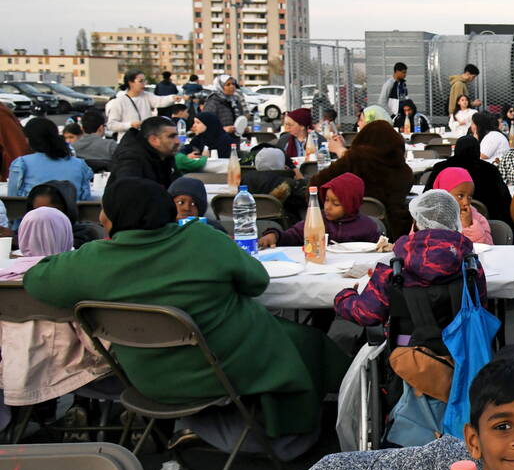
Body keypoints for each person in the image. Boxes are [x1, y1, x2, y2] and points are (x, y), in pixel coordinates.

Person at [24, 178, 347, 441]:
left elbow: (36, 280)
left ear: (116, 217)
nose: (100, 218)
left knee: (293, 341)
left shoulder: (92, 260)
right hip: (225, 367)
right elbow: (256, 282)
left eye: (104, 212)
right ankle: (293, 431)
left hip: (146, 379)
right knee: (304, 342)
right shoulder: (202, 239)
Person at [0, 206, 110, 408]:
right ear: (66, 234)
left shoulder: (6, 278)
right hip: (68, 368)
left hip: (10, 366)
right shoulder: (75, 277)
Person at [334, 188, 487, 333]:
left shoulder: (392, 266)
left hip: (407, 349)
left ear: (415, 223)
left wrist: (345, 296)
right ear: (455, 222)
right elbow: (480, 306)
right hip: (462, 348)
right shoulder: (470, 265)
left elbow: (366, 314)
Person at [312, 120, 413, 238]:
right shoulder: (404, 172)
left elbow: (315, 188)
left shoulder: (351, 162)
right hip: (393, 232)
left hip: (343, 230)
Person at [259, 172, 379, 248]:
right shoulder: (317, 219)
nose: (327, 207)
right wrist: (274, 235)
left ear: (351, 205)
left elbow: (377, 252)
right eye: (326, 200)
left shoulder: (367, 227)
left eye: (336, 203)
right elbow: (292, 235)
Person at [424, 135, 513, 227]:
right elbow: (504, 200)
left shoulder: (441, 167)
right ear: (478, 151)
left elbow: (427, 197)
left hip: (443, 223)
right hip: (485, 224)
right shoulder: (490, 170)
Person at [7, 117, 93, 199]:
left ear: (29, 139)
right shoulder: (79, 165)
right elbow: (85, 198)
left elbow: (13, 200)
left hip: (33, 213)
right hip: (70, 214)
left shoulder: (21, 164)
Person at [23, 181, 106, 248]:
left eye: (50, 213)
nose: (42, 217)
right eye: (36, 212)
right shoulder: (29, 233)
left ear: (66, 211)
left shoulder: (84, 236)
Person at [110, 116, 180, 189]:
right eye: (171, 136)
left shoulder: (165, 155)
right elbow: (127, 189)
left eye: (177, 136)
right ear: (154, 140)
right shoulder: (131, 159)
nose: (177, 141)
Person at [241, 147, 306, 224]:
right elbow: (306, 199)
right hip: (282, 226)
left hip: (249, 223)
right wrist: (301, 180)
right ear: (281, 163)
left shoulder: (245, 180)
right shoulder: (289, 183)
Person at [106, 70, 180, 137]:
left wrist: (173, 98)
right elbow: (111, 125)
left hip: (146, 140)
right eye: (141, 81)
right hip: (128, 143)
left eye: (144, 81)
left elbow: (160, 100)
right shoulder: (119, 101)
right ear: (130, 83)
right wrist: (130, 125)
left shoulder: (147, 96)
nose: (144, 84)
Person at [432, 167, 493, 245]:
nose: (466, 202)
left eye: (469, 196)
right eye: (460, 196)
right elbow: (416, 245)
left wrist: (469, 226)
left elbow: (487, 245)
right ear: (443, 194)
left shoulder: (477, 218)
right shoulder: (427, 216)